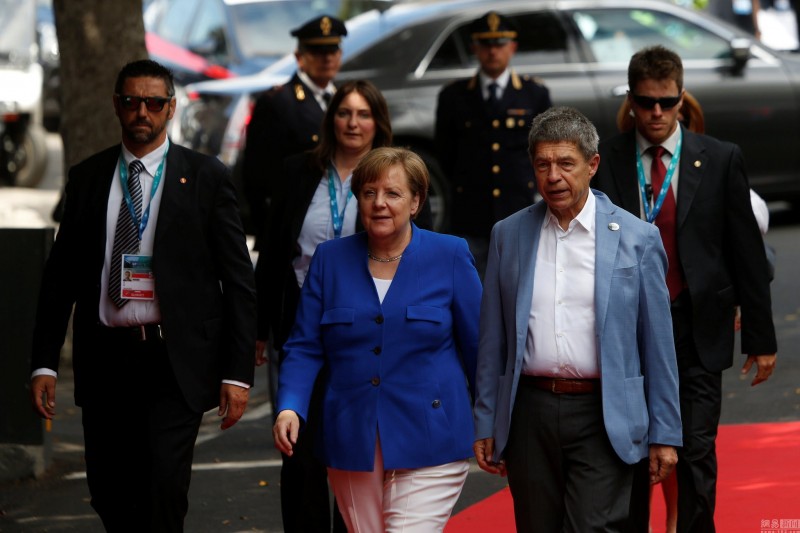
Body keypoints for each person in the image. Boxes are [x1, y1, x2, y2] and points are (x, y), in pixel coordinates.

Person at [29, 59, 256, 532]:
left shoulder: (206, 177)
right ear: (117, 105)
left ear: (171, 109)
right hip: (106, 357)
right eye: (132, 102)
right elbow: (61, 277)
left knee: (163, 490)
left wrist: (237, 373)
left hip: (174, 360)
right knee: (111, 492)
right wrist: (45, 362)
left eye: (154, 103)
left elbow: (238, 280)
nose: (142, 113)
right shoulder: (89, 177)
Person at [472, 106, 682, 531]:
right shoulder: (507, 235)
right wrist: (487, 420)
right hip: (530, 410)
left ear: (592, 165)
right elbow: (492, 340)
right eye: (543, 165)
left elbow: (658, 346)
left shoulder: (637, 239)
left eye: (566, 164)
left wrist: (665, 433)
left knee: (593, 526)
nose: (553, 177)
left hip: (605, 413)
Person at [594, 45, 777, 532]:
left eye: (668, 101)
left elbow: (746, 254)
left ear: (681, 98)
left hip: (699, 326)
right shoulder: (604, 161)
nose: (657, 112)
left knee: (695, 452)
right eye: (646, 102)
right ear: (631, 100)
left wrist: (760, 339)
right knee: (631, 451)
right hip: (628, 331)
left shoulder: (717, 159)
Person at [272, 147, 482, 532]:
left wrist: (491, 422)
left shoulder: (449, 255)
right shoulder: (329, 259)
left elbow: (478, 350)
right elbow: (304, 345)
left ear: (416, 201)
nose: (379, 203)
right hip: (350, 435)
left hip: (432, 435)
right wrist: (290, 406)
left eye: (393, 193)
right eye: (369, 193)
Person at [255, 80, 431, 532]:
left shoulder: (398, 176)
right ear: (330, 119)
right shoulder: (298, 171)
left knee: (359, 447)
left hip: (371, 326)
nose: (353, 123)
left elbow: (417, 253)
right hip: (304, 317)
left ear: (379, 122)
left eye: (364, 114)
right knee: (300, 445)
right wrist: (257, 330)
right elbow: (274, 252)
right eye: (344, 113)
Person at [435, 10, 551, 275]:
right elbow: (446, 155)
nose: (492, 51)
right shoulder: (453, 96)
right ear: (474, 48)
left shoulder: (534, 94)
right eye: (486, 44)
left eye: (499, 44)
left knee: (518, 290)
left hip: (518, 210)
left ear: (513, 47)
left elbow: (544, 152)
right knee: (473, 293)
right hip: (471, 214)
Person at [243, 14, 347, 249]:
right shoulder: (279, 102)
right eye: (318, 52)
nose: (327, 58)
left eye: (333, 51)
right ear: (300, 57)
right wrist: (269, 228)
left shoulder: (344, 100)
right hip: (292, 225)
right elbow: (257, 176)